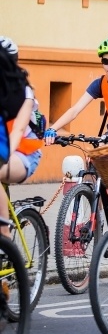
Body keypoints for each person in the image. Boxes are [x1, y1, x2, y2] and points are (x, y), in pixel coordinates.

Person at [45, 37, 108, 141]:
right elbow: (75, 110)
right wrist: (52, 129)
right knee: (95, 155)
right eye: (105, 61)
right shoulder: (100, 83)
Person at [0, 36, 41, 237]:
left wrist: (4, 159)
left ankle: (4, 237)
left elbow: (17, 130)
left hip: (24, 154)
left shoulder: (24, 93)